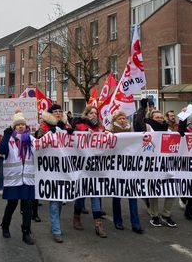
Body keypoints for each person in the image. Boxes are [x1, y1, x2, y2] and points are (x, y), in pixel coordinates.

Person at [0, 111, 36, 245]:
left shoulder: (31, 139)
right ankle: (5, 225)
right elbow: (1, 150)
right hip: (14, 179)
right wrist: (5, 136)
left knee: (27, 206)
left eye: (23, 124)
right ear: (14, 127)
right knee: (12, 204)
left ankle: (26, 232)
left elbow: (44, 146)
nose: (20, 126)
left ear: (26, 127)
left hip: (27, 179)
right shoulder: (10, 139)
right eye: (18, 125)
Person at [37, 103, 72, 243]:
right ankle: (56, 229)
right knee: (54, 200)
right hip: (50, 168)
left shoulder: (67, 127)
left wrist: (72, 134)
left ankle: (55, 225)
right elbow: (38, 144)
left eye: (60, 111)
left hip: (64, 168)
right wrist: (47, 136)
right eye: (55, 111)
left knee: (60, 199)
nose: (58, 113)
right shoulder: (44, 127)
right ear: (51, 114)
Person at [71, 105, 107, 238]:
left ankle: (98, 224)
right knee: (81, 195)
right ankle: (76, 217)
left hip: (96, 167)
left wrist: (107, 135)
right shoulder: (80, 125)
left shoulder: (100, 127)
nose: (93, 115)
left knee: (95, 194)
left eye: (95, 113)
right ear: (86, 114)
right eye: (91, 113)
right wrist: (85, 133)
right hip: (83, 167)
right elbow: (74, 140)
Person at [109, 112, 143, 234]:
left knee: (132, 195)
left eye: (124, 118)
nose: (123, 120)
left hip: (129, 167)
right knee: (117, 196)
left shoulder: (131, 130)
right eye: (120, 118)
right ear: (115, 120)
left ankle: (136, 223)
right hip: (116, 168)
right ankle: (118, 221)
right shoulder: (111, 132)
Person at [144, 110, 178, 228]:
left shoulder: (167, 130)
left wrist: (183, 117)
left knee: (172, 189)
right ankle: (154, 215)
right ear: (151, 118)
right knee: (154, 190)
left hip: (168, 164)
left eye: (161, 117)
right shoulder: (148, 128)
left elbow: (180, 137)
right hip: (153, 165)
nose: (159, 119)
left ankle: (166, 214)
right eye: (156, 117)